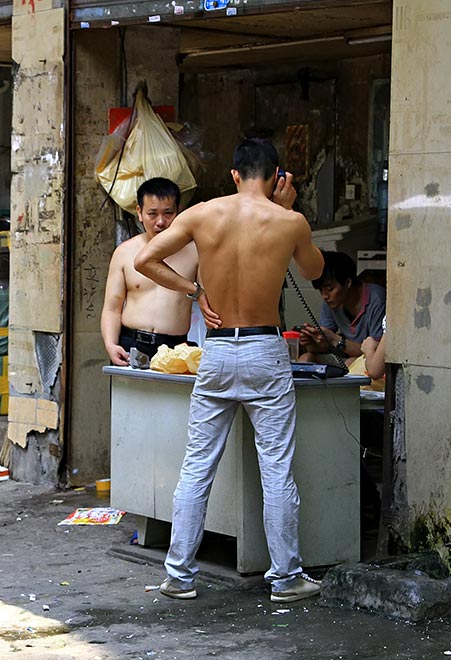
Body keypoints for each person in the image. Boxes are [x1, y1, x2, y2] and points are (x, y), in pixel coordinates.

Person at [134, 138, 325, 602]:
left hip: (217, 350)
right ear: (277, 175)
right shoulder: (290, 221)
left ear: (235, 175)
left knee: (197, 467)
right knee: (276, 468)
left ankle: (179, 576)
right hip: (265, 347)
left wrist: (193, 290)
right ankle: (285, 578)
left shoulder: (202, 213)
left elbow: (145, 259)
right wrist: (288, 209)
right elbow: (315, 270)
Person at [101, 178, 198, 365]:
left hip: (176, 348)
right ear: (139, 213)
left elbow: (210, 302)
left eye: (168, 213)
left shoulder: (194, 253)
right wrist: (111, 344)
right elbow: (112, 308)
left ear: (178, 212)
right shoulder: (124, 252)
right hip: (131, 344)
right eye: (152, 214)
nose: (160, 222)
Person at [298, 251, 385, 365]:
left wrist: (335, 340)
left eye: (330, 289)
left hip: (370, 361)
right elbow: (326, 345)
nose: (324, 296)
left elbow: (377, 355)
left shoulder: (377, 300)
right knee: (306, 358)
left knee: (351, 363)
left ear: (348, 282)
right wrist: (311, 342)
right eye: (321, 290)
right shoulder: (333, 301)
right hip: (345, 356)